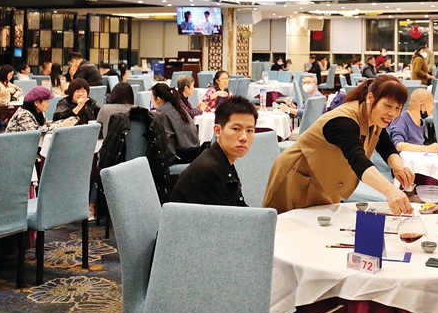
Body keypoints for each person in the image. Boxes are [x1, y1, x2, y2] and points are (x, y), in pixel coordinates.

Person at [263, 75, 415, 214]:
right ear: (370, 98)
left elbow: (386, 145)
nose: (392, 113)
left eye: (398, 108)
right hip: (297, 175)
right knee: (287, 229)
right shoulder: (344, 121)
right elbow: (358, 159)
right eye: (387, 106)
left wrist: (397, 166)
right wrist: (389, 191)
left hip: (324, 177)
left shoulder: (373, 118)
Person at [168, 96, 258, 206]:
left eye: (249, 130)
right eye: (236, 129)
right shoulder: (209, 170)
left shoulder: (223, 160)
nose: (244, 137)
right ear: (218, 131)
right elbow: (221, 216)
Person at [151, 82, 204, 164]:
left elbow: (168, 142)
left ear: (158, 99)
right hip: (195, 152)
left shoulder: (161, 113)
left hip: (182, 157)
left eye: (151, 97)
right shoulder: (177, 107)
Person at [5, 86, 77, 134]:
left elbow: (45, 126)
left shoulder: (38, 111)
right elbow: (37, 132)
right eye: (47, 101)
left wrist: (63, 122)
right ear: (36, 103)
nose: (49, 104)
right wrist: (61, 126)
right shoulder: (23, 115)